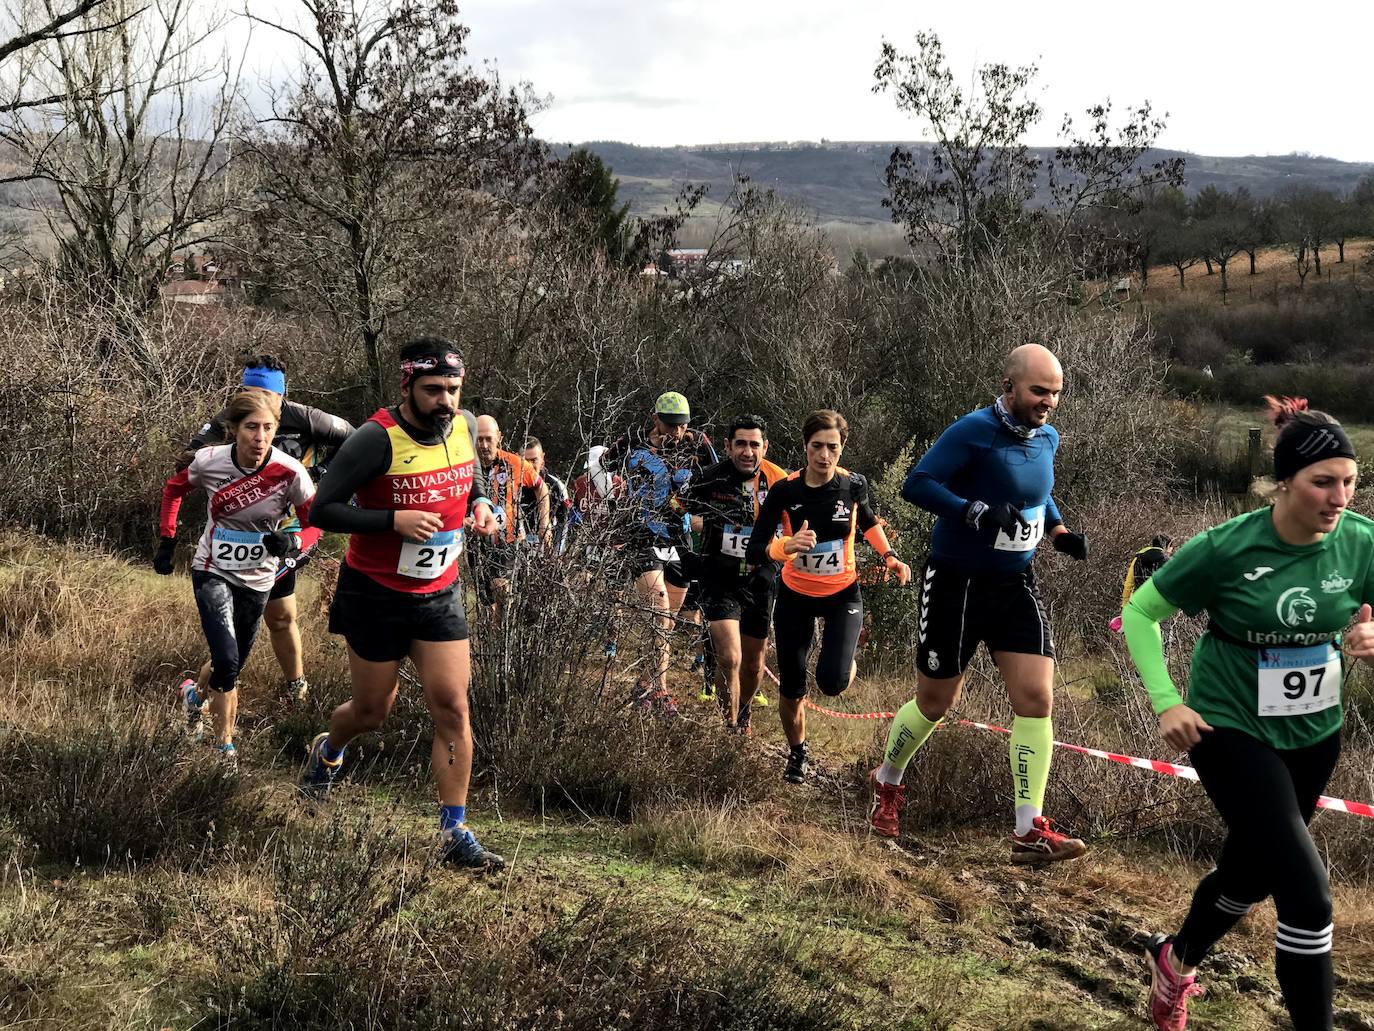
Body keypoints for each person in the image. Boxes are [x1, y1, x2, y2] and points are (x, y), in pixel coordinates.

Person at [1123, 397, 1374, 1031]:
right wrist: (1166, 700)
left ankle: (1174, 961)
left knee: (1253, 869)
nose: (1339, 496)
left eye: (1350, 481)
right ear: (1283, 482)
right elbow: (1140, 614)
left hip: (1317, 731)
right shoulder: (1227, 548)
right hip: (1227, 726)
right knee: (1308, 894)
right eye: (1323, 482)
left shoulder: (1361, 543)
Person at [871, 344, 1089, 863]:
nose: (1048, 403)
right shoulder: (972, 430)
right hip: (956, 584)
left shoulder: (1048, 437)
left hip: (1014, 583)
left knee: (1037, 698)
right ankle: (887, 782)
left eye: (1056, 393)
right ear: (1009, 385)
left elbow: (1037, 492)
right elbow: (916, 484)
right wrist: (974, 511)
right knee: (934, 704)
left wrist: (1057, 530)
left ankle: (1026, 830)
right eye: (1039, 391)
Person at [299, 337, 505, 870]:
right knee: (373, 711)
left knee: (454, 707)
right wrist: (394, 520)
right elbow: (322, 510)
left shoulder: (460, 426)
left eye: (453, 389)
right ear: (407, 386)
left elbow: (469, 475)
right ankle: (327, 752)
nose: (446, 400)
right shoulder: (374, 439)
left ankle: (454, 830)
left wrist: (480, 503)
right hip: (375, 594)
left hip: (439, 593)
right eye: (433, 389)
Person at [746, 410, 910, 782]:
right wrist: (786, 545)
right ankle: (797, 753)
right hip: (795, 596)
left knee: (832, 682)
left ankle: (844, 658)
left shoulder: (853, 485)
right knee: (792, 684)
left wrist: (890, 557)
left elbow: (867, 522)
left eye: (832, 447)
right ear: (805, 447)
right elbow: (756, 549)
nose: (824, 455)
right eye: (816, 447)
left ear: (842, 447)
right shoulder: (785, 490)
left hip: (842, 595)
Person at [178, 355, 352, 703]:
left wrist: (322, 477)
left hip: (289, 533)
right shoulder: (234, 417)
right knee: (268, 616)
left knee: (281, 615)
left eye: (264, 393)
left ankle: (293, 688)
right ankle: (205, 695)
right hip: (241, 532)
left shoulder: (307, 418)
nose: (254, 398)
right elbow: (187, 460)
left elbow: (356, 439)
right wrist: (229, 458)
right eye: (247, 390)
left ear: (281, 396)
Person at [156, 387, 316, 763]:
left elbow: (314, 524)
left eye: (267, 428)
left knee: (234, 661)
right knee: (227, 660)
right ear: (234, 429)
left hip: (259, 579)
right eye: (250, 428)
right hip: (212, 569)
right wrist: (167, 538)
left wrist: (291, 543)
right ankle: (225, 750)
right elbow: (173, 488)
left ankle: (193, 696)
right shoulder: (210, 460)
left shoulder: (290, 471)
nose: (259, 438)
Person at [597, 391, 717, 713]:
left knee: (667, 621)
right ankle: (660, 692)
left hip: (679, 535)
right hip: (639, 533)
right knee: (658, 603)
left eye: (682, 426)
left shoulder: (697, 443)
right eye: (670, 425)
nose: (676, 432)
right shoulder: (635, 438)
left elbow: (718, 474)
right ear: (655, 420)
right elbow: (605, 463)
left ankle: (644, 683)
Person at [685, 413, 787, 733]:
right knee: (730, 658)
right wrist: (690, 537)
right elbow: (677, 509)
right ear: (727, 446)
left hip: (761, 576)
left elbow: (793, 530)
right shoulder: (708, 476)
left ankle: (743, 715)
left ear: (765, 447)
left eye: (754, 444)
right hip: (719, 575)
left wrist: (775, 563)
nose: (747, 451)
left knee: (754, 663)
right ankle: (728, 728)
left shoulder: (779, 481)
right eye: (740, 444)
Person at [469, 415, 548, 615]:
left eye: (489, 438)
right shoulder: (465, 466)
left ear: (499, 438)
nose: (484, 445)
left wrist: (544, 525)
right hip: (476, 543)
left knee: (501, 589)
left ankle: (508, 633)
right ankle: (495, 642)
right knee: (487, 603)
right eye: (479, 439)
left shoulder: (514, 463)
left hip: (508, 542)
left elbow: (542, 489)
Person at [521, 437, 571, 553]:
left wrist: (557, 553)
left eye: (534, 460)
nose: (529, 465)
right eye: (525, 461)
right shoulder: (509, 484)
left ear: (542, 458)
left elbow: (563, 523)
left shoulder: (556, 486)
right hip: (515, 550)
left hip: (546, 549)